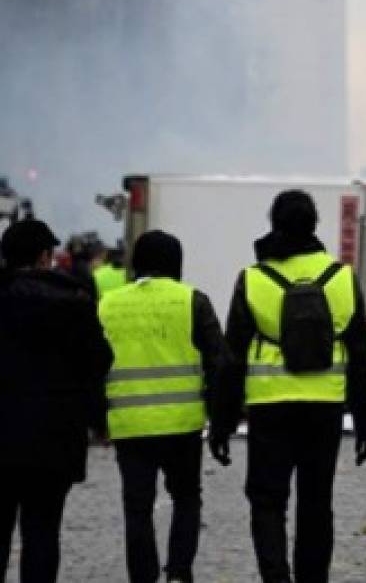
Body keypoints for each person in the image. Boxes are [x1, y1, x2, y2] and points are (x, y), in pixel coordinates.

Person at [212, 190, 366, 583]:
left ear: (274, 224)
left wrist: (221, 422)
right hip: (325, 405)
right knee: (317, 502)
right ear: (315, 225)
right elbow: (360, 355)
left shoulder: (253, 279)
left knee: (267, 501)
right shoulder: (341, 277)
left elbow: (231, 357)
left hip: (270, 406)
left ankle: (275, 577)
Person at [98, 231, 227, 583]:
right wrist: (220, 420)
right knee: (186, 498)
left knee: (137, 508)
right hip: (182, 424)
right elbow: (219, 363)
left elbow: (91, 365)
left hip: (129, 423)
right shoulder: (192, 301)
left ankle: (143, 576)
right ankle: (179, 573)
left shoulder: (108, 304)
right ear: (177, 264)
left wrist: (98, 419)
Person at [0, 219, 113, 582]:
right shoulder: (74, 303)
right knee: (43, 532)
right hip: (54, 438)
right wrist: (98, 420)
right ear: (46, 256)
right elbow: (100, 361)